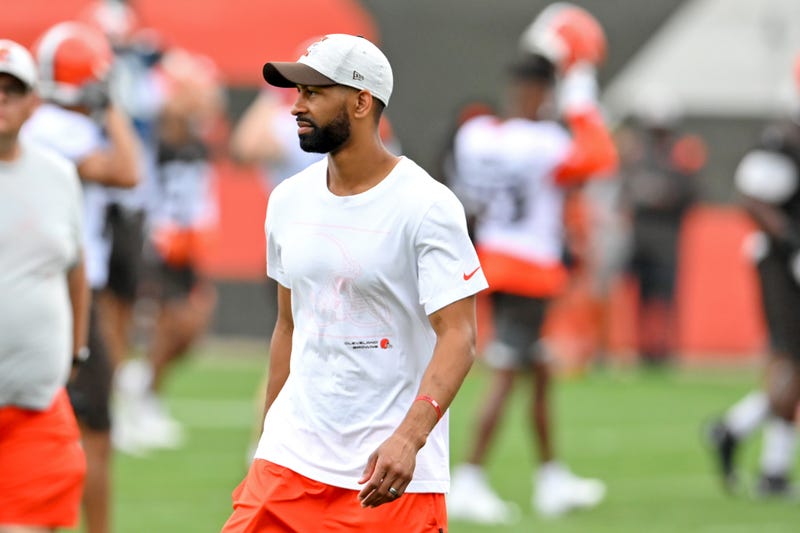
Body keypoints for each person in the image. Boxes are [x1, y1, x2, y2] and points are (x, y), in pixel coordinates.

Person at [221, 33, 488, 532]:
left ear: (362, 101)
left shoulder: (427, 206)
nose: (296, 106)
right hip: (288, 463)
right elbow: (288, 326)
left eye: (313, 93)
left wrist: (409, 437)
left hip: (388, 479)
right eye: (297, 92)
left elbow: (460, 336)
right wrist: (267, 439)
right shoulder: (287, 200)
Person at [446, 3, 617, 523]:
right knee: (504, 371)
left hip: (493, 257)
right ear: (541, 91)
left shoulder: (475, 135)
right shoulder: (544, 142)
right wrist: (581, 86)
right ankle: (469, 478)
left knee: (537, 370)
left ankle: (550, 477)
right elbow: (600, 156)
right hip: (530, 267)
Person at [21, 21, 141, 533]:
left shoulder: (34, 124)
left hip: (38, 284)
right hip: (67, 290)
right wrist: (110, 105)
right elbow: (128, 170)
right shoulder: (60, 129)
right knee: (93, 429)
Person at [113, 47, 223, 454]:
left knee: (192, 324)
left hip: (186, 242)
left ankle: (144, 392)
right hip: (155, 239)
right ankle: (131, 406)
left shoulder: (196, 137)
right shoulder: (154, 134)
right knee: (152, 323)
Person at [0, 39, 89, 532]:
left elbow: (75, 267)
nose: (1, 100)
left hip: (35, 411)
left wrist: (74, 352)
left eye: (12, 90)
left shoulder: (58, 176)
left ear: (34, 102)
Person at [706, 62, 800, 497]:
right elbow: (751, 194)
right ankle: (770, 467)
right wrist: (789, 239)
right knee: (789, 357)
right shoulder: (783, 136)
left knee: (794, 363)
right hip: (783, 264)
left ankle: (740, 436)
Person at [617, 95, 704, 367]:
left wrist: (660, 196)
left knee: (665, 295)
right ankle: (643, 347)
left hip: (667, 236)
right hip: (641, 235)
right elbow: (626, 192)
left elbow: (691, 194)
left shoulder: (681, 155)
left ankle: (665, 348)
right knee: (641, 293)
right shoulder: (639, 156)